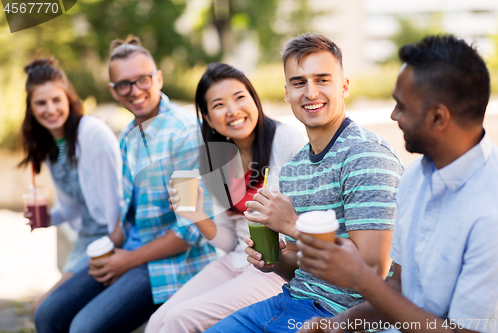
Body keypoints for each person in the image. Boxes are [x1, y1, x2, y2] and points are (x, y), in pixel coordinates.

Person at [297, 35, 498, 333]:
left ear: (438, 117)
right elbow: (400, 287)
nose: (393, 115)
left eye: (401, 106)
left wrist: (360, 279)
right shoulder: (415, 176)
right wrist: (336, 325)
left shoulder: (489, 212)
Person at [205, 32, 404, 332]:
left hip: (345, 319)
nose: (310, 92)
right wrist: (277, 261)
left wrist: (292, 224)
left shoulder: (366, 155)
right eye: (299, 83)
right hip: (291, 301)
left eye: (322, 79)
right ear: (286, 92)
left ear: (344, 86)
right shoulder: (295, 167)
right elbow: (305, 269)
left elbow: (375, 268)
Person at [34, 36, 217, 333]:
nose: (135, 91)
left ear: (158, 78)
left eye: (142, 80)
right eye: (124, 84)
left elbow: (190, 232)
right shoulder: (128, 135)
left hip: (172, 265)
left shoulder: (184, 134)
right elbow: (125, 216)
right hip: (130, 251)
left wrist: (126, 261)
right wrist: (106, 253)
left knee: (84, 327)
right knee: (47, 313)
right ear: (113, 91)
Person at [146, 63, 308, 332]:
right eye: (219, 105)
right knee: (157, 322)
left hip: (277, 265)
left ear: (254, 100)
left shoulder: (288, 142)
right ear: (208, 119)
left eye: (239, 97)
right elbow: (229, 240)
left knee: (179, 320)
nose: (233, 111)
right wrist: (196, 215)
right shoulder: (215, 159)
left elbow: (314, 219)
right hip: (234, 259)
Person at [19, 57, 121, 313]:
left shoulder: (92, 133)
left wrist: (115, 249)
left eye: (56, 100)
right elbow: (74, 208)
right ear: (31, 108)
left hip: (108, 241)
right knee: (43, 309)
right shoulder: (52, 147)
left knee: (45, 310)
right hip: (84, 239)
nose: (50, 109)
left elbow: (116, 200)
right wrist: (45, 219)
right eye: (41, 103)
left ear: (68, 100)